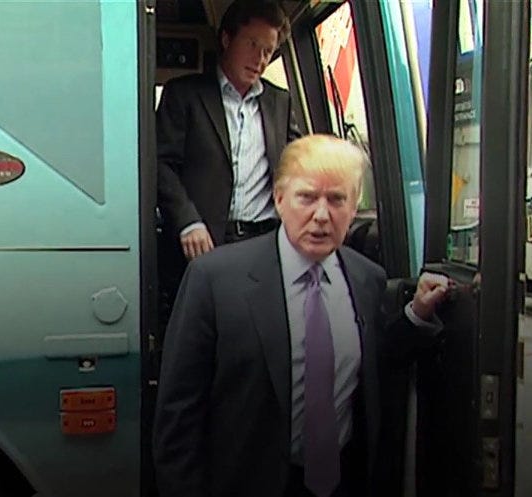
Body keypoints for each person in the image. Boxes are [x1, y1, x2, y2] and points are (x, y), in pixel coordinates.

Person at [153, 134, 449, 497]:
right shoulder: (214, 280)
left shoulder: (367, 279)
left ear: (354, 206)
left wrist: (417, 314)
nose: (321, 215)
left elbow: (376, 363)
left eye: (336, 199)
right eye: (307, 197)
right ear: (279, 199)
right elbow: (178, 414)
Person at [157, 0, 301, 262]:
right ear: (227, 39)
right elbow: (161, 164)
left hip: (266, 240)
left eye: (268, 51)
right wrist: (187, 222)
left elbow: (300, 164)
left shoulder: (280, 102)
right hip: (202, 242)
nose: (260, 59)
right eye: (252, 45)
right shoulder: (184, 94)